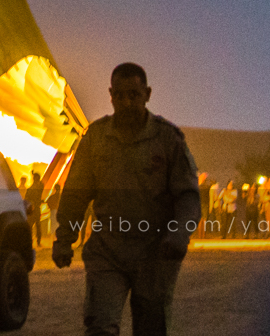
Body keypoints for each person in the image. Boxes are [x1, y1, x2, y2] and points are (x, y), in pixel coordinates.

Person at [52, 62, 201, 336]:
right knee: (100, 326)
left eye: (134, 95)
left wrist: (179, 234)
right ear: (110, 95)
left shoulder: (167, 139)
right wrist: (64, 238)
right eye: (119, 96)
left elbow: (188, 197)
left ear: (147, 94)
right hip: (108, 251)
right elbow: (76, 194)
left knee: (150, 328)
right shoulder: (96, 138)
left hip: (155, 254)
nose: (127, 102)